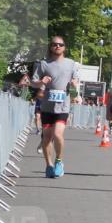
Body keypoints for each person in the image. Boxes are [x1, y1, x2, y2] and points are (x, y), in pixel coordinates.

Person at [32, 36, 79, 178]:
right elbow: (33, 82)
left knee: (58, 134)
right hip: (47, 107)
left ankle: (59, 161)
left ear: (64, 47)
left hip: (63, 107)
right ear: (50, 47)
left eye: (60, 44)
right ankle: (49, 165)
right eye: (54, 44)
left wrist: (74, 85)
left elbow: (76, 81)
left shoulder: (71, 64)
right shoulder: (43, 64)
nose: (57, 46)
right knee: (46, 138)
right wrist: (41, 81)